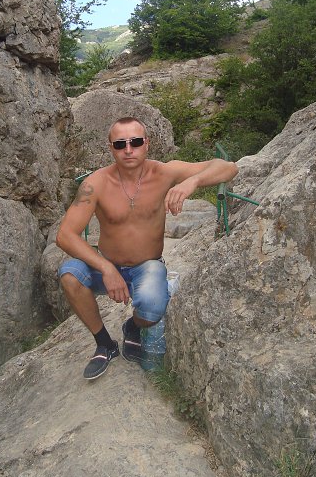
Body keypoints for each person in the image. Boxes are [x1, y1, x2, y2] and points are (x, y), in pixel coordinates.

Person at [56, 116, 238, 380]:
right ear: (111, 148)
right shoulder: (95, 184)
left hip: (147, 266)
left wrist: (192, 182)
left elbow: (227, 167)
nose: (129, 150)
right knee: (69, 275)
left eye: (136, 142)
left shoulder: (164, 173)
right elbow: (65, 235)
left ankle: (132, 326)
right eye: (120, 144)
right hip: (107, 265)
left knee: (152, 309)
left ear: (147, 144)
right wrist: (106, 268)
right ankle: (105, 344)